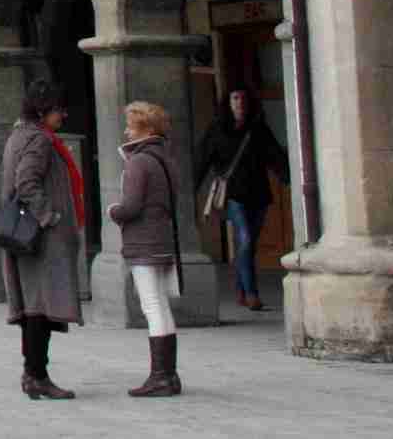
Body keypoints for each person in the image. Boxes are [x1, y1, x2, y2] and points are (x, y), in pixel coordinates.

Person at [1, 80, 85, 401]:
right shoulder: (39, 140)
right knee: (40, 307)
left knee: (34, 305)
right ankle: (37, 374)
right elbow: (27, 183)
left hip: (24, 234)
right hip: (40, 236)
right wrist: (50, 216)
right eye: (57, 109)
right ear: (41, 110)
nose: (62, 115)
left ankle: (32, 372)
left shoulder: (19, 135)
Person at [109, 101, 183, 397]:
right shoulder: (167, 159)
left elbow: (131, 207)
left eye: (131, 126)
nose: (126, 131)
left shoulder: (139, 162)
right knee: (161, 305)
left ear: (146, 129)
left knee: (152, 306)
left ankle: (160, 377)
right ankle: (169, 375)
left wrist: (113, 211)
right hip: (164, 239)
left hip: (143, 241)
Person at [195, 85, 290, 313]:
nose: (240, 103)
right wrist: (192, 188)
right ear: (228, 102)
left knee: (249, 245)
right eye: (235, 98)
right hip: (234, 195)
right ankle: (251, 294)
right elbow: (202, 159)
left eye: (243, 98)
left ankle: (240, 289)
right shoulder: (218, 129)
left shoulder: (258, 129)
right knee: (245, 240)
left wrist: (288, 178)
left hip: (259, 193)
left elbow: (274, 155)